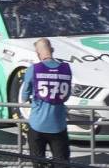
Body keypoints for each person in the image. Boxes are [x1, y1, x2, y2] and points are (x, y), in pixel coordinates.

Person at [21, 38, 71, 167]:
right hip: (59, 125)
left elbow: (24, 96)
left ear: (38, 53)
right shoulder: (66, 69)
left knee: (38, 164)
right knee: (62, 163)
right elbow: (66, 96)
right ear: (52, 50)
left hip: (37, 125)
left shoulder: (34, 69)